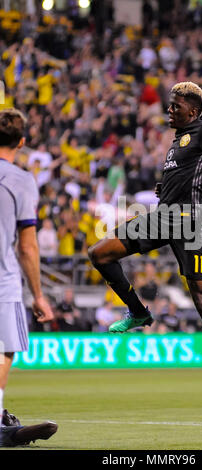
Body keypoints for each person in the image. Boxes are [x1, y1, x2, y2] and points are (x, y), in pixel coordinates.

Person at [88, 82, 202, 417]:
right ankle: (139, 312)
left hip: (192, 220)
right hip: (164, 217)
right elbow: (198, 176)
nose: (169, 110)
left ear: (192, 111)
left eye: (175, 106)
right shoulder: (175, 144)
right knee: (100, 253)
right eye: (169, 105)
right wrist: (165, 188)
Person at [0, 108, 57, 446]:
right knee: (5, 349)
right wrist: (39, 294)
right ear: (22, 142)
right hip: (3, 279)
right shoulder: (21, 180)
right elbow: (27, 246)